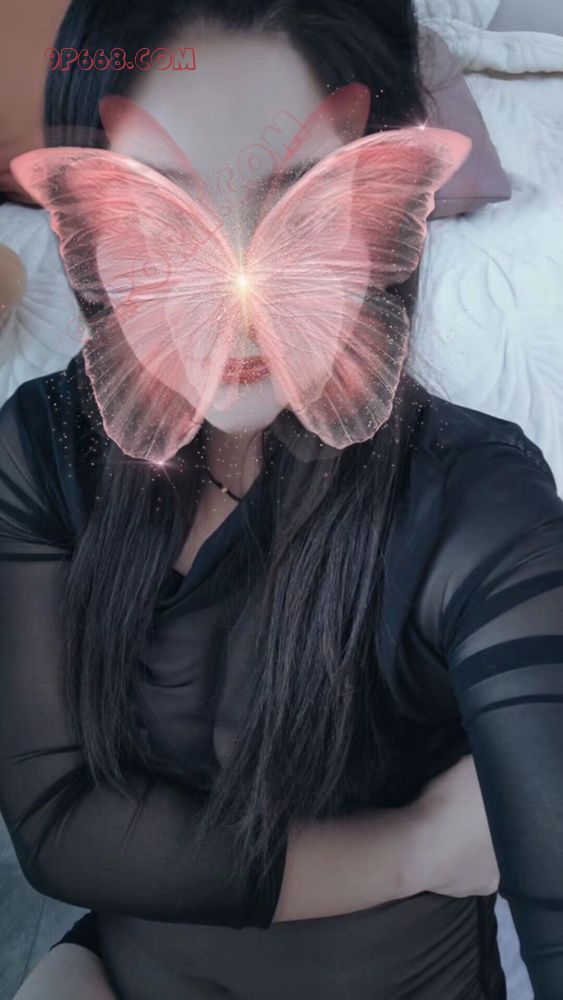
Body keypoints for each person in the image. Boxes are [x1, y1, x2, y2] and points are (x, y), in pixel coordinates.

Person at [1, 1, 562, 998]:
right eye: (164, 207)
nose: (238, 296)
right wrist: (414, 847)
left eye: (298, 195)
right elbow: (56, 823)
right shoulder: (40, 445)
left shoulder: (474, 502)